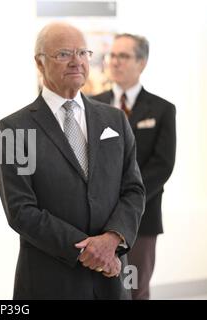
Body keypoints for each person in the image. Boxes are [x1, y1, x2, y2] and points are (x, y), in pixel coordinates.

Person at [0, 22, 145, 299]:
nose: (77, 61)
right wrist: (89, 250)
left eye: (83, 53)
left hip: (111, 280)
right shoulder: (14, 129)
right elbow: (21, 210)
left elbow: (133, 190)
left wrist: (112, 239)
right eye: (64, 54)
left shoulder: (115, 120)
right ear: (40, 63)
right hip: (50, 281)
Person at [92, 33, 176, 300]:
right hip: (97, 219)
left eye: (124, 56)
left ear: (142, 63)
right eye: (112, 55)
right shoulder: (90, 105)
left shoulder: (162, 109)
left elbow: (162, 166)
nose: (115, 62)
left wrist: (128, 202)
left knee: (136, 289)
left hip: (142, 219)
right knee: (100, 289)